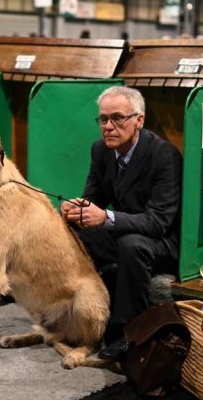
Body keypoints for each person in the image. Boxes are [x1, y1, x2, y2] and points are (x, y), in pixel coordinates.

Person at [59, 86, 181, 360]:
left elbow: (159, 221)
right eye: (103, 119)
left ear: (139, 120)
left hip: (161, 241)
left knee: (131, 245)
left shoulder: (164, 156)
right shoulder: (100, 150)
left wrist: (106, 217)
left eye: (117, 118)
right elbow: (92, 200)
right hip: (124, 232)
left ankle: (127, 334)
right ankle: (78, 318)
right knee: (71, 234)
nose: (109, 126)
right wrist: (73, 209)